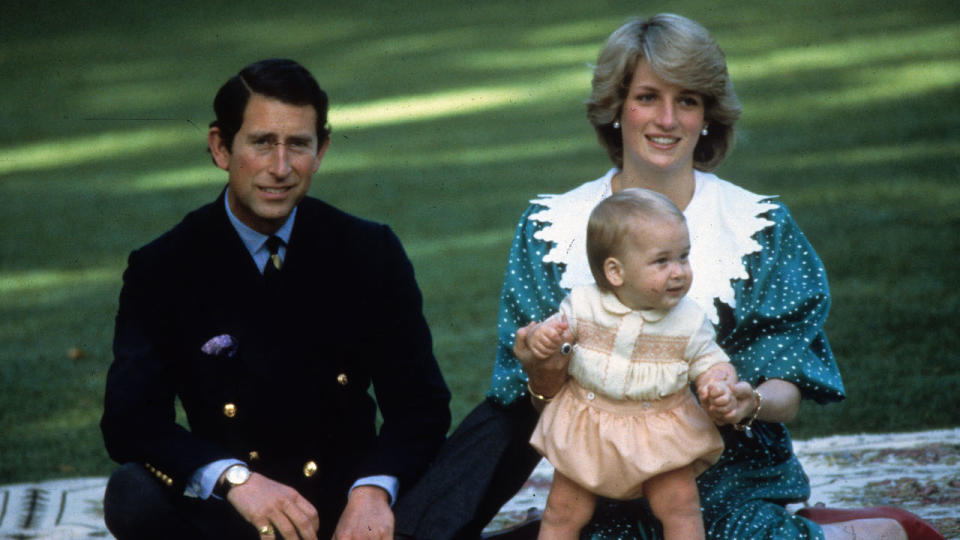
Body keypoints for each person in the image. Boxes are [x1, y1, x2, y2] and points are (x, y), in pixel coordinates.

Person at [399, 13, 944, 540]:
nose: (666, 119)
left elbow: (788, 384)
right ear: (616, 109)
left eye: (687, 100)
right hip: (598, 477)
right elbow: (527, 401)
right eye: (647, 97)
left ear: (708, 115)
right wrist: (542, 366)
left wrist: (746, 399)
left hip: (727, 479)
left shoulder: (757, 226)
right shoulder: (551, 226)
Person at [100, 58, 451, 540]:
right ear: (221, 147)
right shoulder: (164, 266)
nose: (280, 168)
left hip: (350, 512)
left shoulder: (368, 250)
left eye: (299, 145)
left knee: (489, 442)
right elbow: (129, 419)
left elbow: (420, 406)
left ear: (322, 149)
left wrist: (372, 492)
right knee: (131, 492)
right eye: (262, 143)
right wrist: (233, 479)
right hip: (236, 515)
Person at [520, 188, 740, 539]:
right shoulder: (584, 304)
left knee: (680, 504)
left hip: (660, 430)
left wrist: (719, 382)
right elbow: (553, 333)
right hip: (589, 426)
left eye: (684, 257)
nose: (679, 272)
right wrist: (542, 338)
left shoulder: (688, 321)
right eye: (662, 261)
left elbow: (710, 359)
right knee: (563, 510)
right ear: (615, 272)